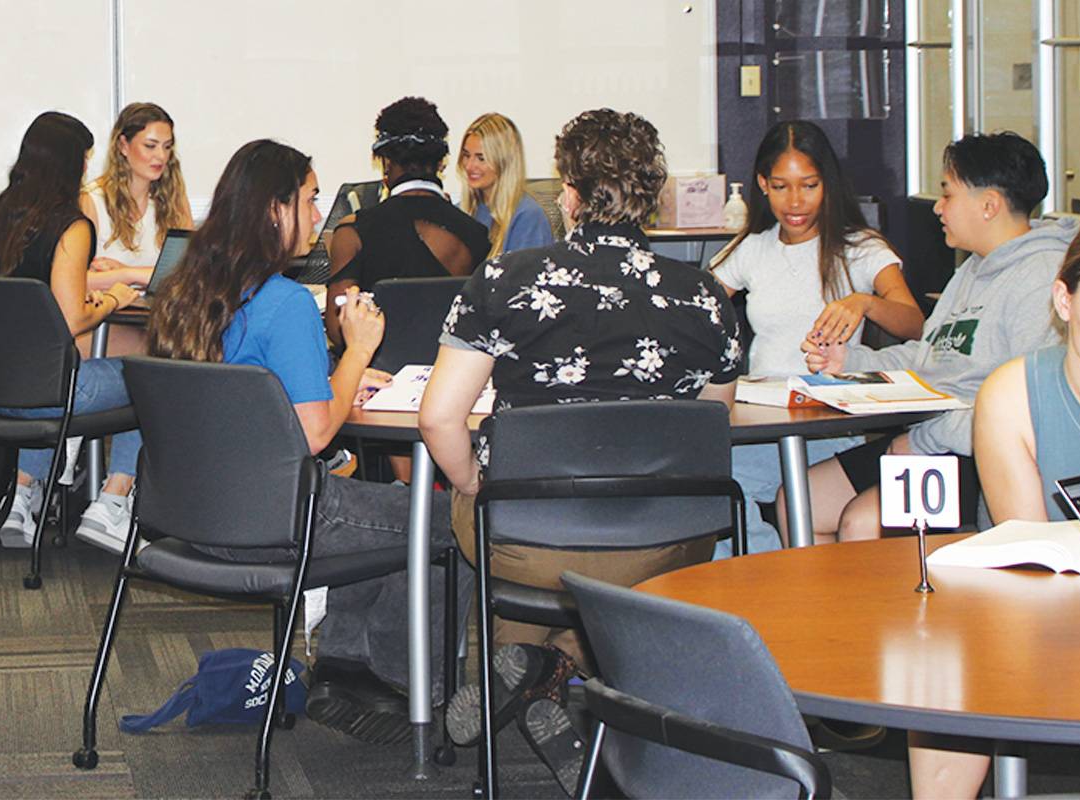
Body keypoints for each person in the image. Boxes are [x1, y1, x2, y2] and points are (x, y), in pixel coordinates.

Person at [419, 108, 742, 794]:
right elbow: (712, 433)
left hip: (530, 539)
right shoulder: (708, 297)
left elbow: (440, 419)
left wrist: (474, 481)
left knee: (481, 510)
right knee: (585, 557)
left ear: (568, 193)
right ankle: (566, 677)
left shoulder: (506, 281)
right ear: (650, 199)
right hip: (669, 544)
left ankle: (527, 668)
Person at [146, 139, 472, 744]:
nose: (320, 214)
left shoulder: (183, 295)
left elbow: (252, 399)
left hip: (189, 513)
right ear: (275, 209)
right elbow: (316, 433)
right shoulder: (287, 302)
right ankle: (398, 681)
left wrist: (336, 381)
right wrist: (359, 351)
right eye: (310, 198)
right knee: (443, 515)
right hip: (278, 519)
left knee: (383, 517)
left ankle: (346, 671)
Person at [908, 212, 1080, 799]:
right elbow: (1035, 552)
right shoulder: (1013, 394)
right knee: (945, 680)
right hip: (1031, 618)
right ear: (1064, 301)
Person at [796, 131, 1080, 543]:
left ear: (989, 205)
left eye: (948, 194)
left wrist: (924, 441)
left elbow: (1029, 408)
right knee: (799, 501)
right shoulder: (970, 270)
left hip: (981, 453)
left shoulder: (1043, 279)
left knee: (862, 522)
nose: (938, 208)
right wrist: (851, 362)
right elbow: (927, 357)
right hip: (933, 439)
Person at [710, 120, 923, 555]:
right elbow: (700, 308)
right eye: (781, 186)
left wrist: (865, 302)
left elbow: (913, 323)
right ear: (762, 185)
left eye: (809, 185)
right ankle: (769, 579)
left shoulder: (860, 248)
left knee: (722, 485)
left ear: (828, 183)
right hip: (763, 423)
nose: (795, 201)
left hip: (830, 426)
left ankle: (772, 580)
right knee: (709, 486)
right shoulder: (752, 247)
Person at [0, 111, 141, 552]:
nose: (87, 169)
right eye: (84, 160)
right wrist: (113, 300)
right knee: (152, 374)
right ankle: (112, 501)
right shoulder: (71, 224)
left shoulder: (0, 214)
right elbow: (72, 319)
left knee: (56, 368)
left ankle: (20, 499)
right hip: (48, 394)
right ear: (70, 164)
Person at [325, 96, 490, 347]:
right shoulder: (476, 234)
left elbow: (338, 330)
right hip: (450, 375)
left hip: (375, 377)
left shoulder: (352, 233)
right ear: (440, 163)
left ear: (386, 163)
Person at [79, 102, 193, 356]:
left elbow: (190, 273)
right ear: (123, 146)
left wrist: (125, 272)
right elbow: (77, 282)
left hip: (160, 324)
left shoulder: (174, 202)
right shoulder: (92, 201)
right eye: (150, 146)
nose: (161, 157)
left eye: (167, 147)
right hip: (104, 329)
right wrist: (140, 276)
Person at [457, 112, 553, 258]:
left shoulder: (528, 218)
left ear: (505, 162)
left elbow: (524, 278)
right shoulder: (461, 211)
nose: (469, 166)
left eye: (481, 158)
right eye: (466, 155)